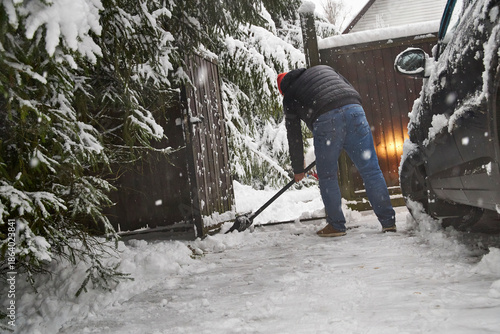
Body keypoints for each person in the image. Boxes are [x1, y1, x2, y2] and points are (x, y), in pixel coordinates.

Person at [277, 65, 396, 237]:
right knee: (371, 170)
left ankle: (336, 225)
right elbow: (348, 89)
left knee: (327, 176)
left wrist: (297, 169)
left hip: (326, 119)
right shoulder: (324, 69)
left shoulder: (290, 96)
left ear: (283, 89)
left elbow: (294, 135)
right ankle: (388, 222)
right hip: (355, 110)